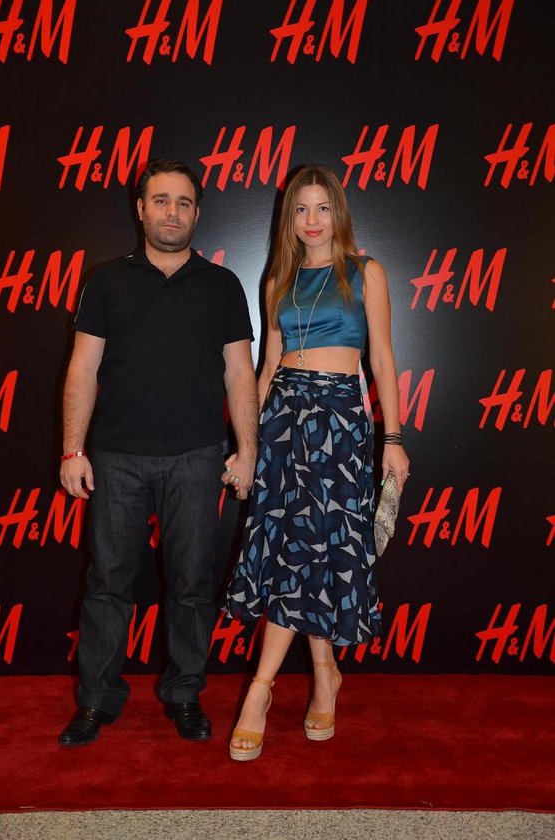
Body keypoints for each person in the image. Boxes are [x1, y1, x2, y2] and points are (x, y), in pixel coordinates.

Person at [58, 159, 258, 747]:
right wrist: (72, 449)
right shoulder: (106, 281)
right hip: (116, 456)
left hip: (198, 456)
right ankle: (96, 701)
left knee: (192, 584)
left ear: (197, 213)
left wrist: (247, 450)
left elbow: (240, 375)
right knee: (107, 584)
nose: (172, 212)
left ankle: (186, 694)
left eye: (184, 202)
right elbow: (82, 369)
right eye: (161, 200)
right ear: (140, 208)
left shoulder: (223, 285)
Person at [226, 164, 410, 761]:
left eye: (322, 208)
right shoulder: (278, 279)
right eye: (301, 209)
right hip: (283, 420)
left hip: (339, 423)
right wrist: (249, 446)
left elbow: (382, 359)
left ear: (338, 213)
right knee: (295, 546)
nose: (312, 220)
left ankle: (260, 689)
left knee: (316, 546)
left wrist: (393, 437)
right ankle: (324, 676)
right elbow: (267, 368)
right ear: (290, 217)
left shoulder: (365, 271)